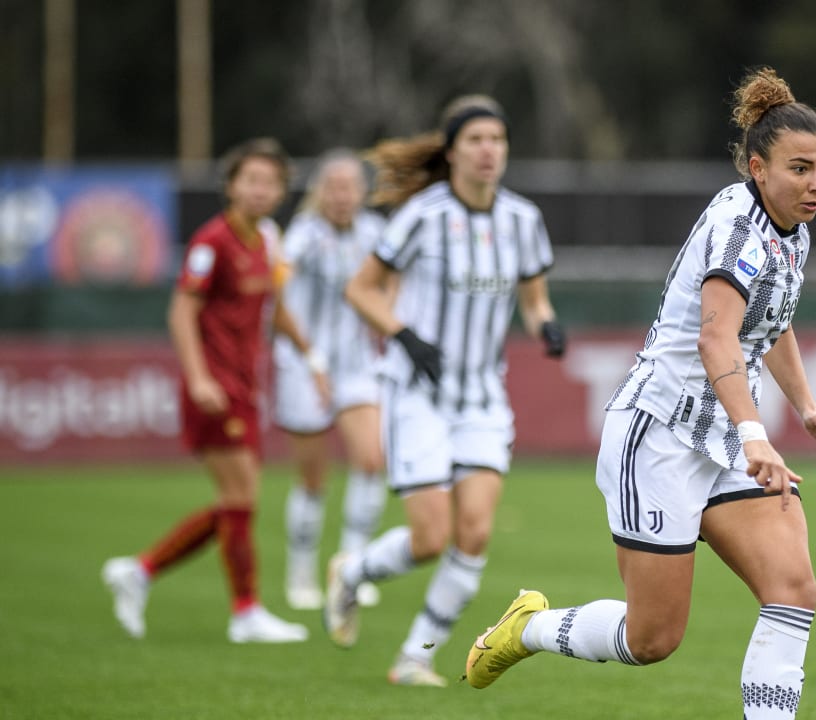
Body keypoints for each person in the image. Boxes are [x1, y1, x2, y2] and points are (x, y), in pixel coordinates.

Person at [462, 67, 816, 720]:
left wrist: (806, 406)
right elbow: (716, 339)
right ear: (758, 167)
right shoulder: (738, 229)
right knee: (652, 638)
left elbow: (770, 326)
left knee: (793, 589)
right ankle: (527, 627)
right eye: (800, 169)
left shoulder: (792, 230)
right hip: (660, 433)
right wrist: (758, 436)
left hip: (722, 438)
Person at [326, 94, 568, 687]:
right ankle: (353, 573)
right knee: (430, 537)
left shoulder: (522, 220)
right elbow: (363, 289)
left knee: (476, 532)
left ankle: (414, 657)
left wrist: (547, 327)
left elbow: (534, 301)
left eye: (498, 140)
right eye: (476, 140)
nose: (489, 151)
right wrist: (403, 335)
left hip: (483, 396)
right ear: (452, 151)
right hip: (417, 395)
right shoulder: (423, 215)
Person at [102, 138, 323, 643]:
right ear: (231, 185)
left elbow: (277, 308)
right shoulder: (212, 241)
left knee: (236, 503)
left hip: (245, 387)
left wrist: (312, 358)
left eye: (270, 182)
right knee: (241, 498)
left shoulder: (268, 239)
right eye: (251, 180)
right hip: (214, 388)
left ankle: (140, 571)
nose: (260, 190)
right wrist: (198, 377)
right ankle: (245, 611)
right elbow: (181, 310)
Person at [272, 149, 388, 611]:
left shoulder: (375, 234)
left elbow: (390, 288)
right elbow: (274, 299)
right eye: (333, 188)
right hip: (304, 363)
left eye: (350, 188)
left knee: (371, 460)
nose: (341, 197)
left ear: (361, 193)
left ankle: (351, 568)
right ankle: (300, 570)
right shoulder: (301, 237)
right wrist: (312, 357)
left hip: (358, 366)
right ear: (321, 192)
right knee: (313, 479)